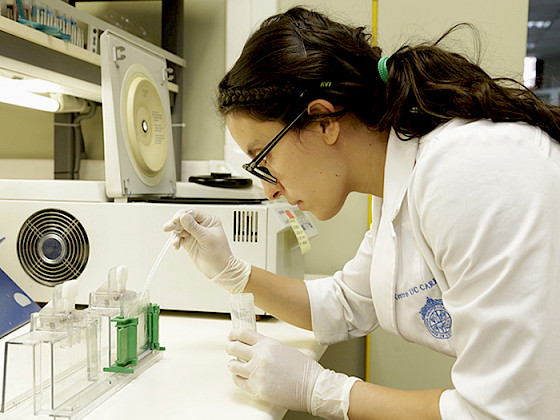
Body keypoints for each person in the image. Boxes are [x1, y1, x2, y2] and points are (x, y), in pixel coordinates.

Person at [163, 7, 560, 420]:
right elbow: (346, 303)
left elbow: (501, 413)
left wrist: (323, 391)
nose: (268, 187)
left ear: (322, 120)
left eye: (263, 157)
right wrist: (231, 272)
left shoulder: (470, 175)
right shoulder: (400, 181)